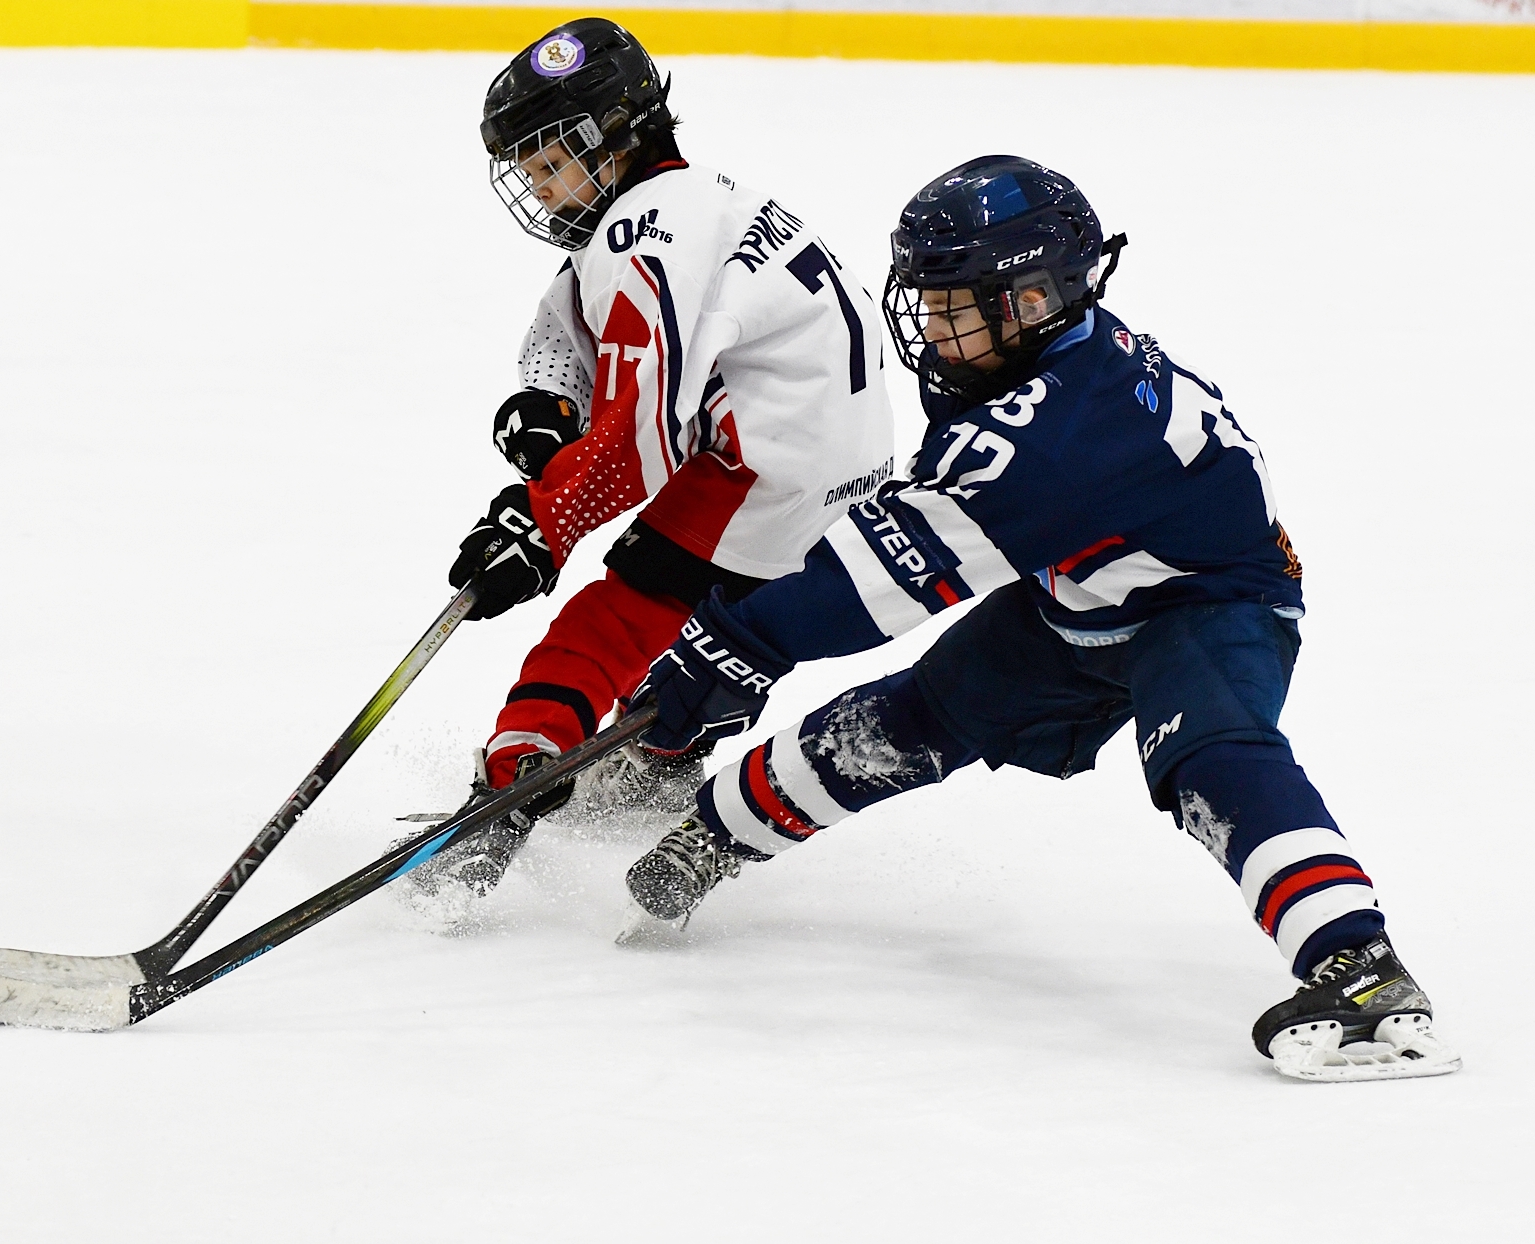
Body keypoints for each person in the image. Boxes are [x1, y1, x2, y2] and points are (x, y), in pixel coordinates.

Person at [620, 155, 1460, 1082]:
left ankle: (1361, 970)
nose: (931, 329)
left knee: (1209, 757)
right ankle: (706, 841)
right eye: (927, 302)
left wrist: (734, 642)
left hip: (1208, 601)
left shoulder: (1055, 436)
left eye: (953, 305)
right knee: (904, 720)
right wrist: (737, 640)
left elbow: (880, 578)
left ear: (1027, 299)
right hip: (1080, 594)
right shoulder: (1038, 370)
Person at [409, 18, 894, 911]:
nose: (541, 192)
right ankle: (669, 753)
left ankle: (512, 784)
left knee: (613, 619)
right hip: (846, 468)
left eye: (550, 164)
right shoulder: (693, 200)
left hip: (767, 471)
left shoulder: (640, 230)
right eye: (528, 174)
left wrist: (539, 523)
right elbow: (579, 338)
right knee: (720, 627)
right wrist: (552, 419)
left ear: (612, 134)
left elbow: (643, 430)